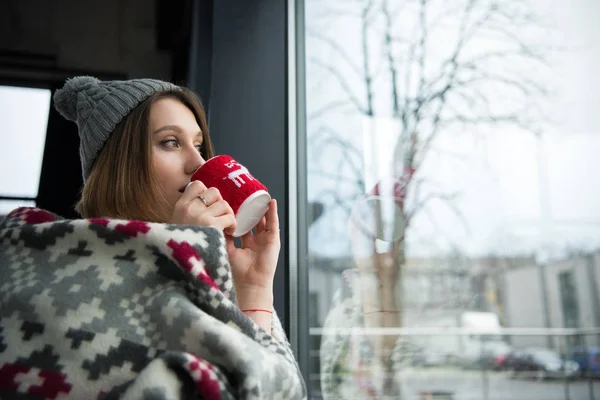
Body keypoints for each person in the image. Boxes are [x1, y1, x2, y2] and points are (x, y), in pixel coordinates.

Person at [0, 76, 306, 399]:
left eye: (198, 145)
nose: (198, 162)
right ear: (120, 165)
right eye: (170, 142)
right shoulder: (44, 265)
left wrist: (254, 293)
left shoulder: (216, 280)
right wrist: (182, 252)